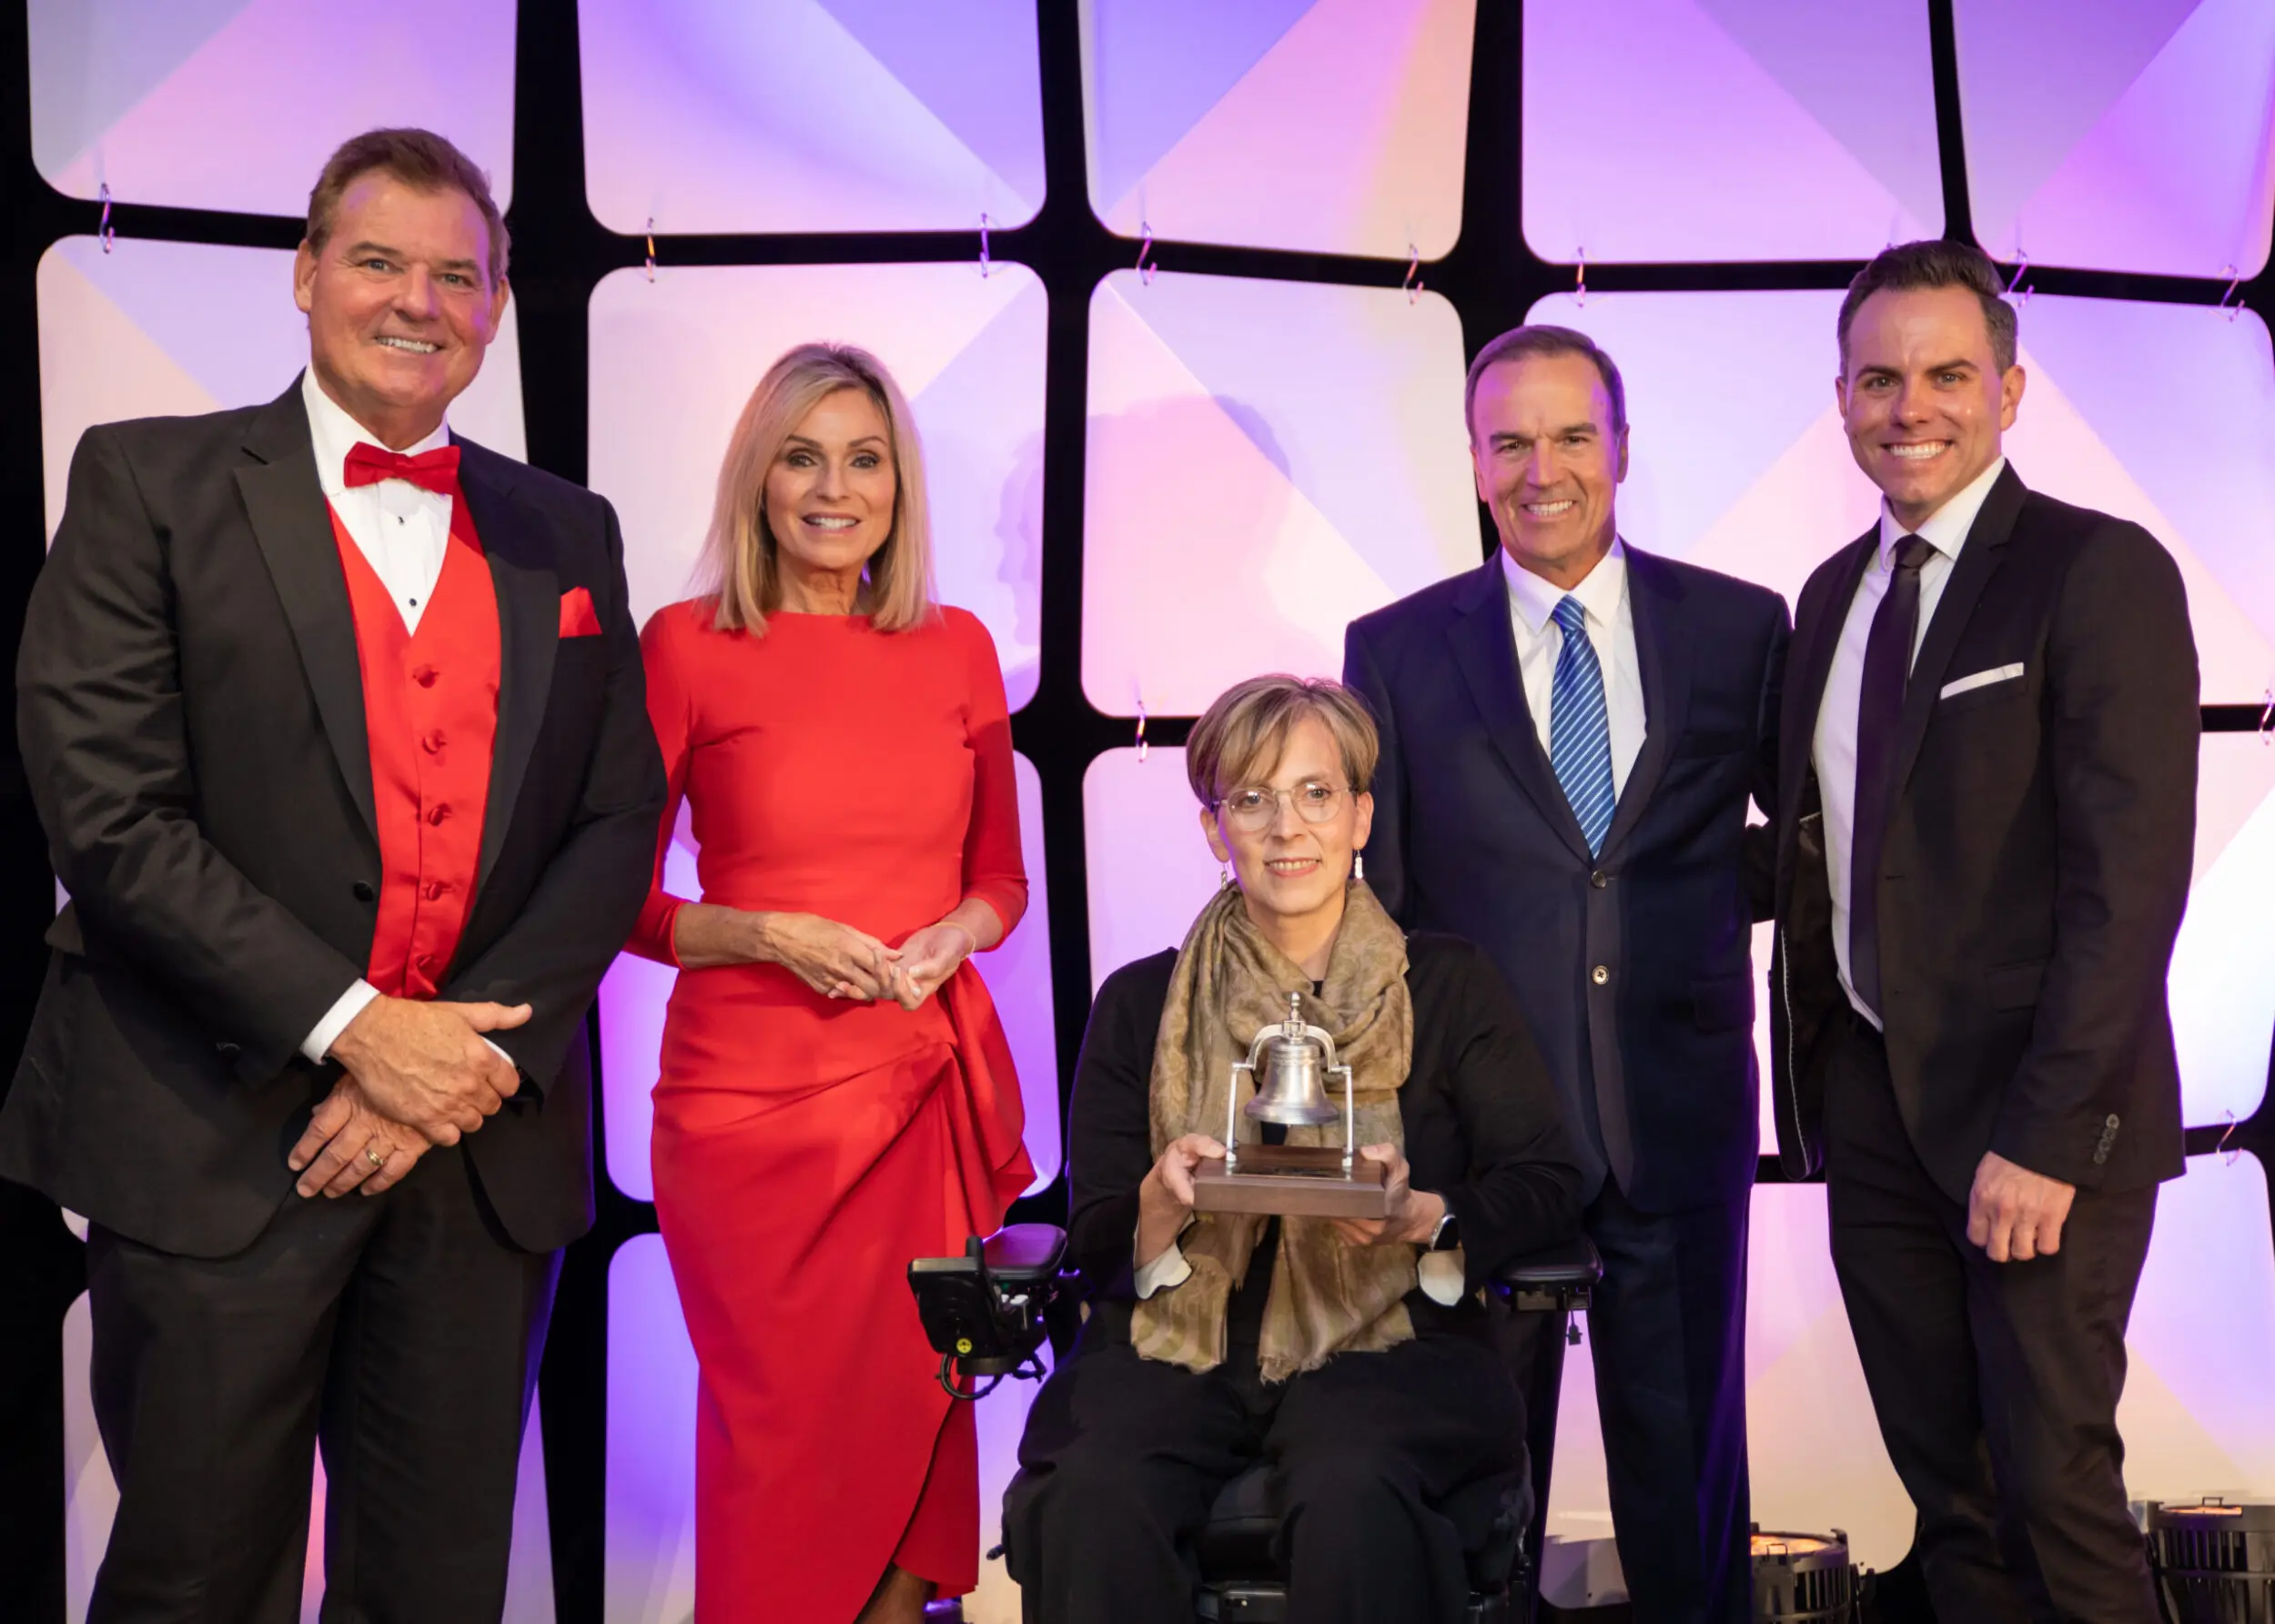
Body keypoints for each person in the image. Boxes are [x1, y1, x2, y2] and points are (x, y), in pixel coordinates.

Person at [0, 128, 664, 1619]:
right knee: (193, 1580)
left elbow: (620, 817)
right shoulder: (144, 484)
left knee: (434, 1589)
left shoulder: (571, 528)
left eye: (456, 275)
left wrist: (462, 1062)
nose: (416, 302)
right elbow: (110, 818)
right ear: (305, 275)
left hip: (474, 1159)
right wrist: (362, 1034)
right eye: (378, 262)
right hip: (211, 1132)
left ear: (494, 309)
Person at [1769, 239, 2197, 1623]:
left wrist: (2050, 1135)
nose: (1913, 407)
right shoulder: (1831, 598)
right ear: (1840, 398)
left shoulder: (2099, 571)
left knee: (2052, 1484)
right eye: (1880, 378)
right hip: (1875, 1111)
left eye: (1949, 374)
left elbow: (2128, 888)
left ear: (2010, 390)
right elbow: (1829, 852)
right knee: (1947, 1498)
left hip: (2037, 1119)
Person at [1344, 327, 1788, 1622]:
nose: (1545, 469)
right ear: (1477, 464)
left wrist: (1697, 907)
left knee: (1689, 1490)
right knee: (1483, 1490)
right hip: (1487, 1144)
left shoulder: (1739, 626)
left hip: (1681, 1114)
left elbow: (1808, 844)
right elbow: (1389, 906)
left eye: (1573, 435)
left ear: (1624, 446)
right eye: (1512, 442)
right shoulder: (1399, 648)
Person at [1005, 675, 1583, 1624]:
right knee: (1094, 1487)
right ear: (1212, 830)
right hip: (1177, 1345)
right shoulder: (1139, 1004)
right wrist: (1161, 1202)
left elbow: (1546, 1180)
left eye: (1315, 794)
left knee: (1354, 1485)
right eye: (1251, 798)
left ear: (1359, 817)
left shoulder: (1448, 984)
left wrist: (1419, 1216)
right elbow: (1102, 1238)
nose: (1286, 828)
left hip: (1397, 1342)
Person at [629, 342, 1034, 1623]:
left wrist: (952, 935)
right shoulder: (686, 645)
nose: (832, 487)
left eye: (863, 460)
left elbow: (1002, 883)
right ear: (758, 477)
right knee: (780, 1445)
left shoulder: (957, 646)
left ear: (899, 488)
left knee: (920, 1413)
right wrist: (764, 935)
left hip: (917, 1095)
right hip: (750, 1120)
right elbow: (614, 903)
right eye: (802, 456)